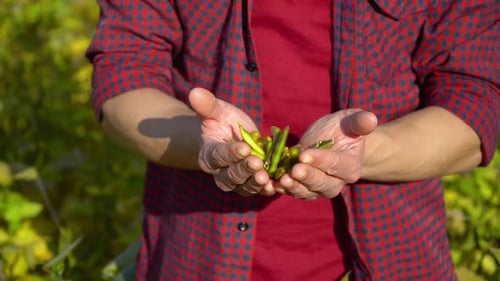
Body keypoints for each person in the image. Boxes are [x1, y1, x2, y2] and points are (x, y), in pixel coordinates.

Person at [86, 0, 499, 280]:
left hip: (395, 258)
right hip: (198, 257)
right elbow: (124, 74)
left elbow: (475, 103)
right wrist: (205, 145)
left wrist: (364, 153)